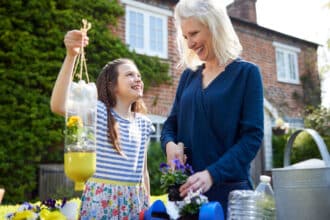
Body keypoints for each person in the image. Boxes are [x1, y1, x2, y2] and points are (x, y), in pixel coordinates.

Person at [160, 0, 264, 216]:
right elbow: (171, 123)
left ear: (214, 26)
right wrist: (169, 144)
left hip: (230, 198)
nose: (189, 43)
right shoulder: (188, 77)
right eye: (185, 37)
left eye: (194, 33)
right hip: (186, 196)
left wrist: (211, 174)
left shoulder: (247, 74)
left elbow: (251, 138)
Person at [50, 30, 153, 219]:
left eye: (139, 75)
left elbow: (143, 171)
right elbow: (58, 105)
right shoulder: (96, 111)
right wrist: (71, 56)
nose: (138, 79)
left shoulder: (144, 123)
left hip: (135, 203)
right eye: (130, 75)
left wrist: (149, 205)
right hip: (102, 204)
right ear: (112, 86)